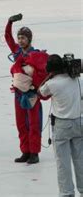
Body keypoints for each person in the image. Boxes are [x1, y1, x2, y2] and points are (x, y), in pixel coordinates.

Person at [6, 13, 49, 164]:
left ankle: (34, 153)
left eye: (23, 38)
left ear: (29, 39)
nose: (20, 40)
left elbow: (42, 74)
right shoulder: (17, 52)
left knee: (34, 124)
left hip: (32, 94)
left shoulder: (36, 54)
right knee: (21, 124)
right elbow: (8, 38)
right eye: (19, 38)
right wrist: (9, 23)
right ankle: (25, 151)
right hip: (18, 94)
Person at [39, 55, 82, 197]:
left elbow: (41, 92)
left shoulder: (52, 84)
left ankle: (66, 192)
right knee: (80, 159)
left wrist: (49, 78)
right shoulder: (77, 80)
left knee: (63, 162)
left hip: (62, 125)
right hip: (79, 122)